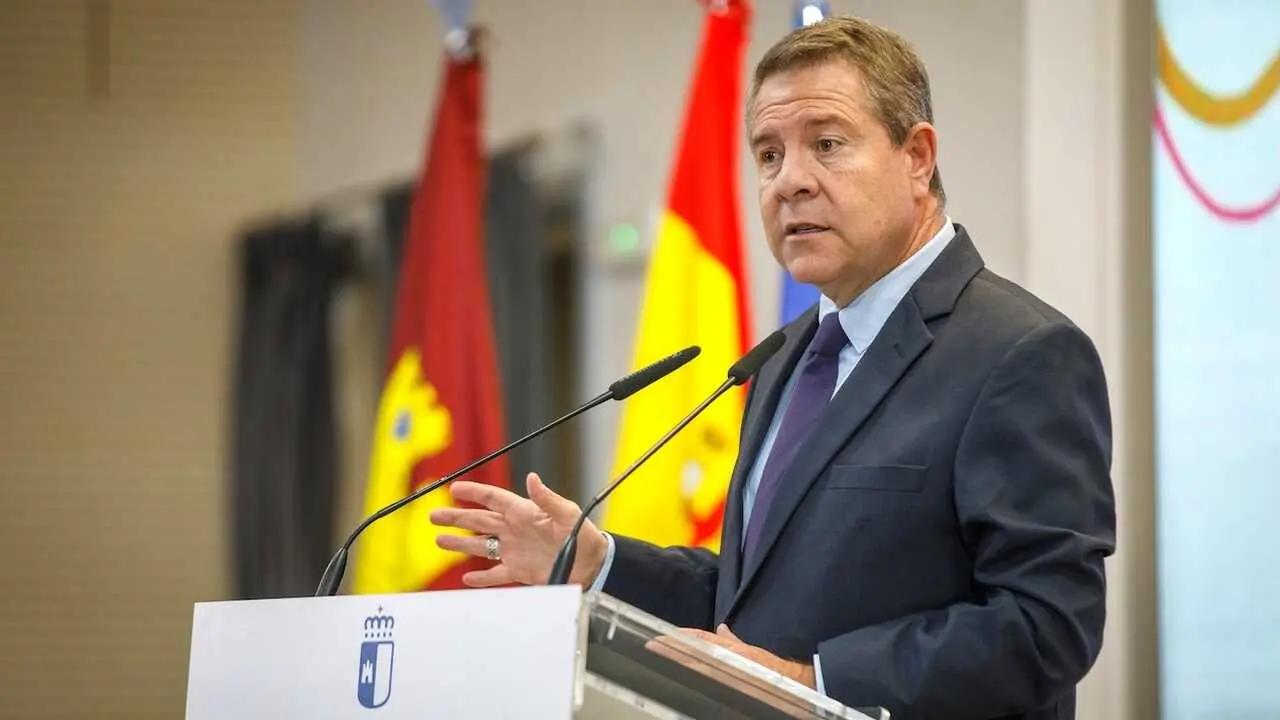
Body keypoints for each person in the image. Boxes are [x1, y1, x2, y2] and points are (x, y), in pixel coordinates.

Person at [430, 15, 1116, 720]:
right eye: (766, 154)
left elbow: (1046, 627)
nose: (790, 182)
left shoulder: (1021, 354)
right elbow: (754, 596)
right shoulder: (786, 356)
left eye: (826, 144)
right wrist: (601, 564)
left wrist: (811, 680)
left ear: (917, 157)